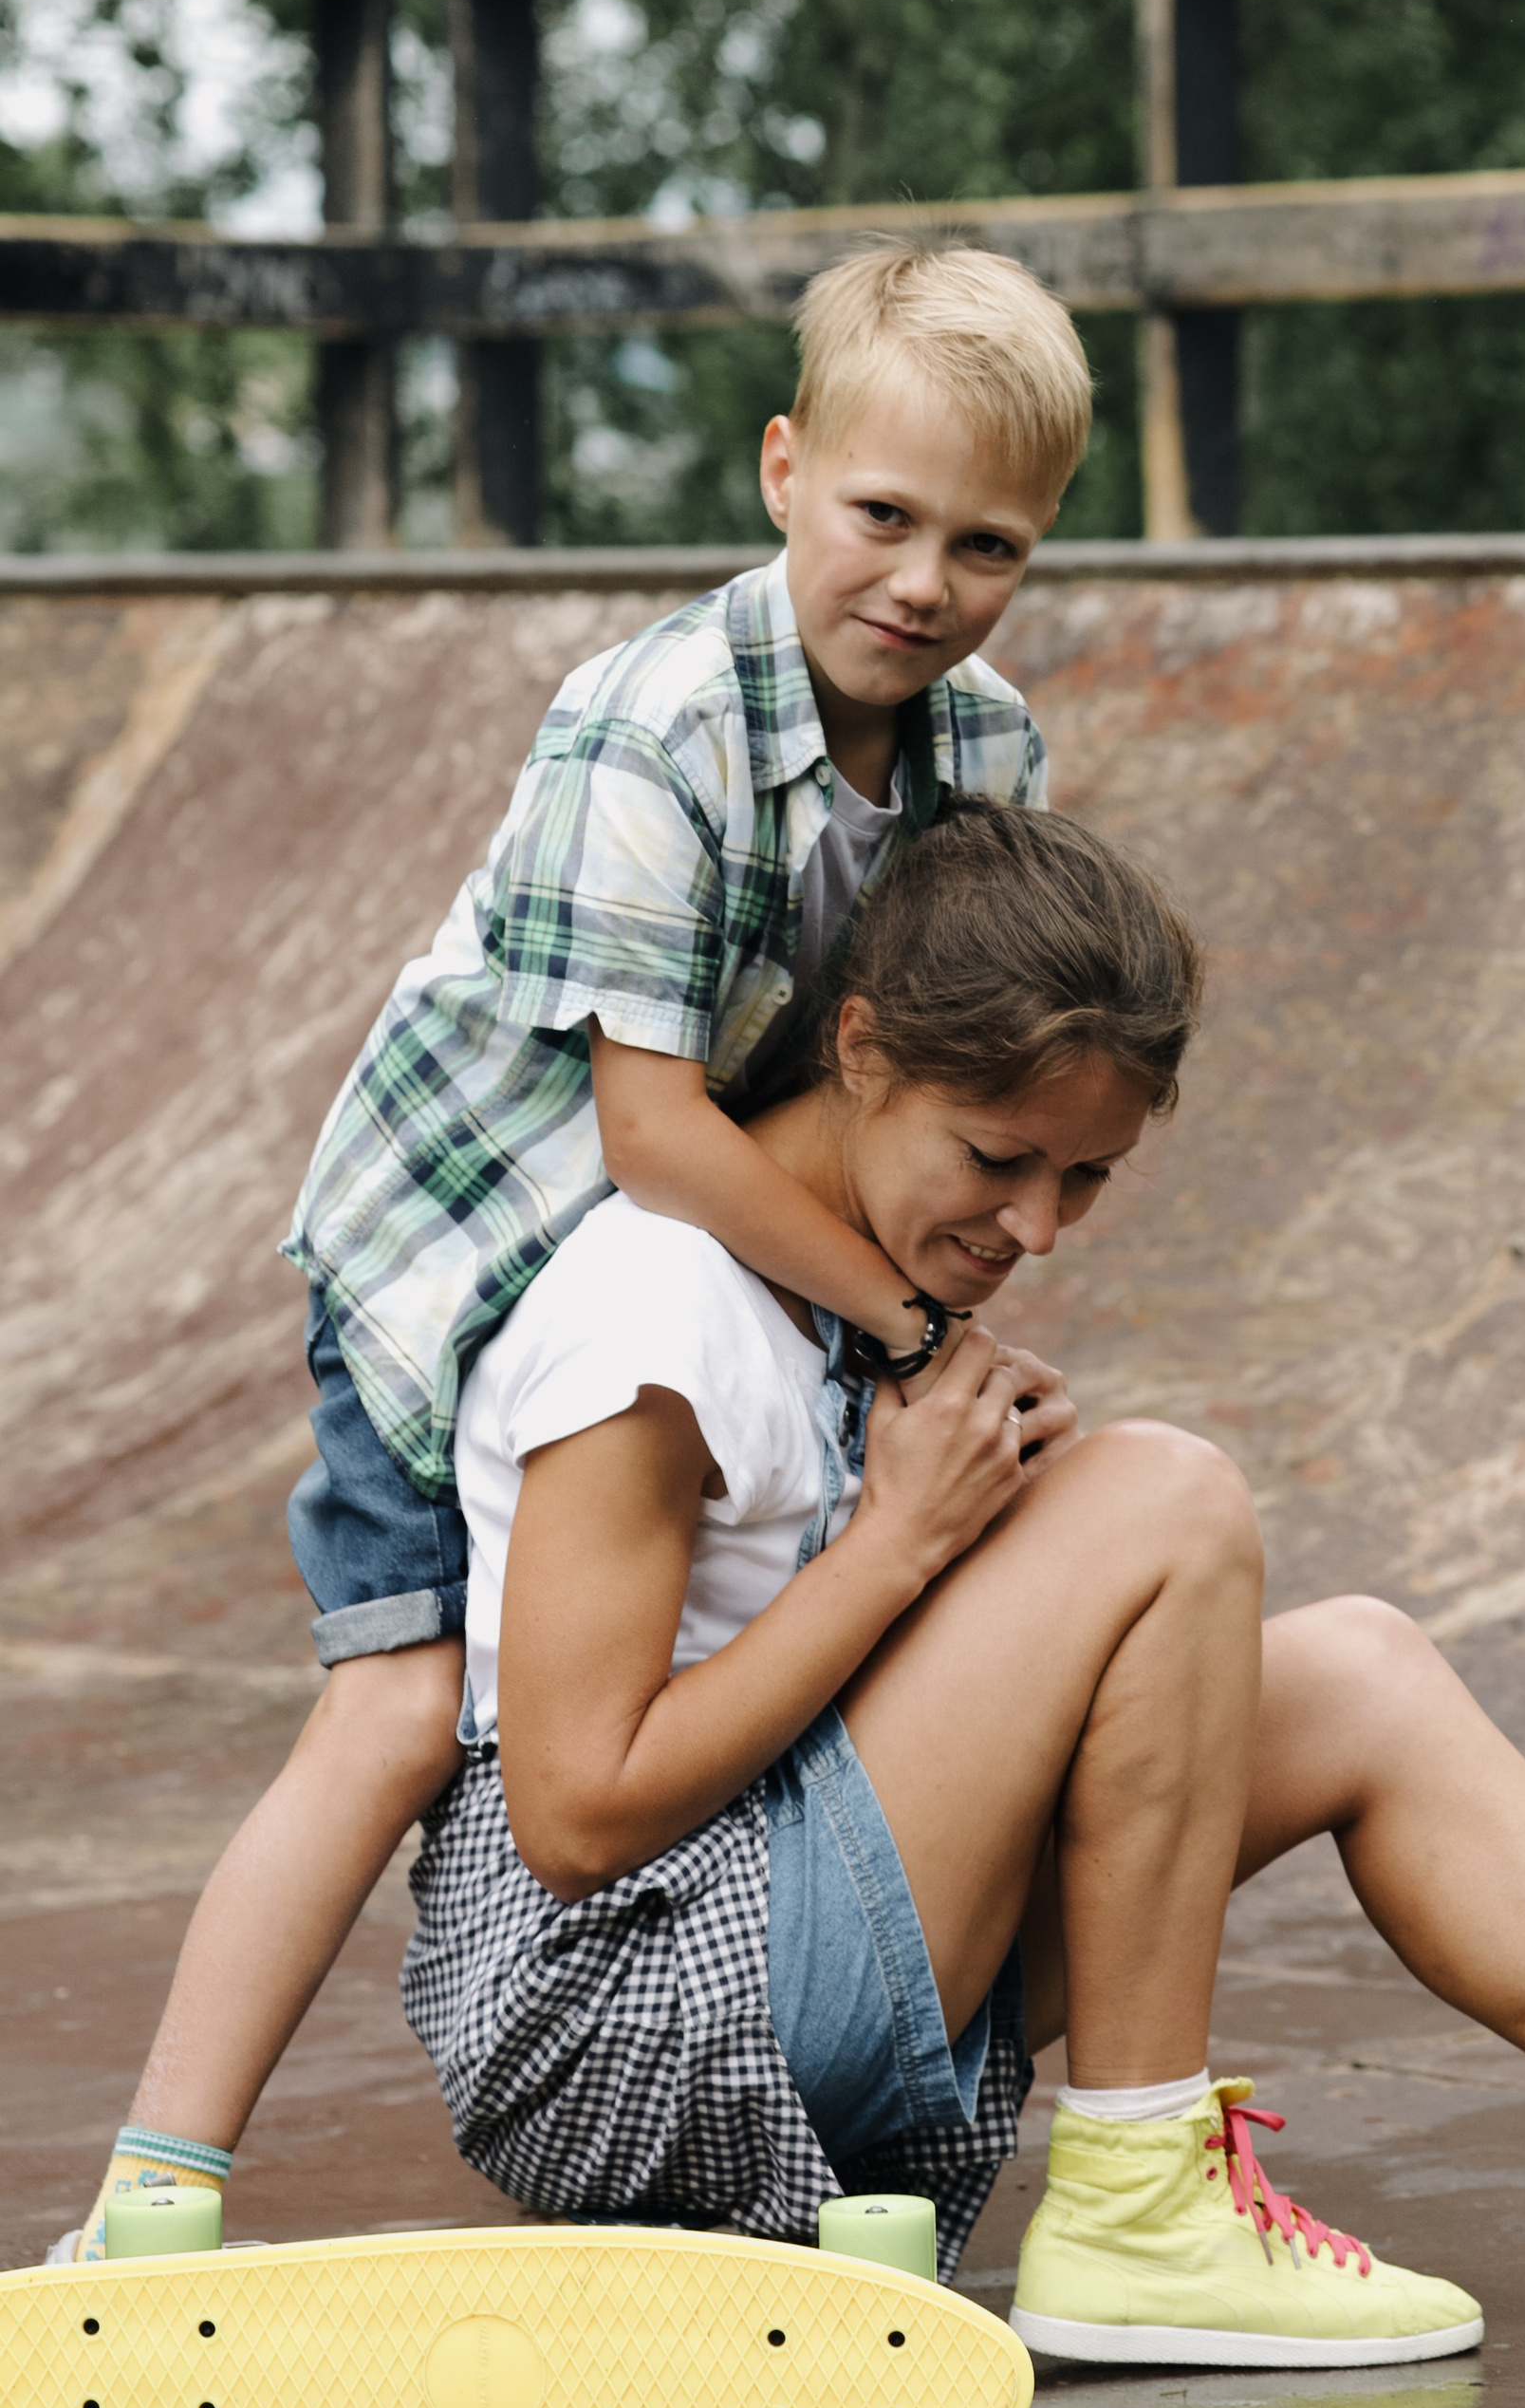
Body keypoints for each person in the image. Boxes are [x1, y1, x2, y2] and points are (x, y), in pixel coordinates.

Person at [403, 799, 1525, 2366]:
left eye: (1089, 1179)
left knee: (1357, 1669)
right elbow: (572, 1815)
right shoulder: (649, 1316)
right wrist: (898, 1549)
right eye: (1000, 1159)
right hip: (624, 2023)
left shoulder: (849, 1291)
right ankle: (1138, 2203)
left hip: (781, 1941)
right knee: (1164, 1500)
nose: (1036, 1229)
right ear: (860, 1046)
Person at [57, 237, 1089, 2265]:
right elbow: (648, 1128)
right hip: (458, 1276)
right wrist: (898, 1327)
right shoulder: (653, 726)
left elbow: (955, 1059)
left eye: (986, 545)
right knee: (397, 1707)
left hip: (693, 1280)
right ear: (783, 468)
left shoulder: (988, 752)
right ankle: (152, 2202)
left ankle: (773, 2058)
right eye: (881, 516)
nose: (920, 581)